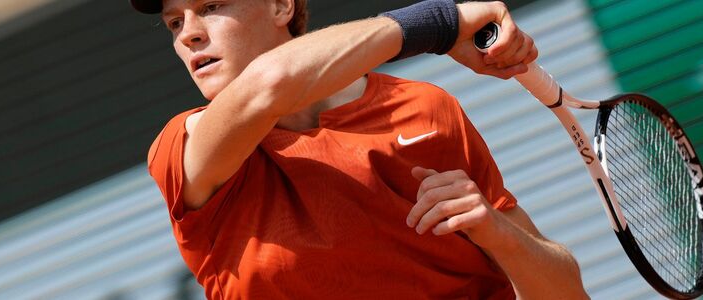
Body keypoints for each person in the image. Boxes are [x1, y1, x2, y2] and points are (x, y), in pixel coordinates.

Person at [133, 0, 588, 298]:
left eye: (211, 6)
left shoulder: (425, 108)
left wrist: (495, 231)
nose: (189, 34)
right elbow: (271, 83)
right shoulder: (184, 149)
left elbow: (568, 295)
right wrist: (440, 23)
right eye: (175, 22)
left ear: (280, 5)